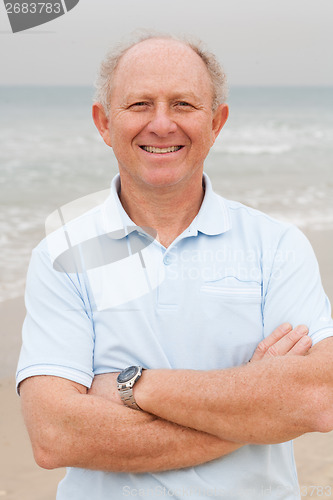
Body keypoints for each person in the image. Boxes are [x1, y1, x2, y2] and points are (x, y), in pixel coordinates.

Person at [16, 34, 333, 500]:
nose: (161, 124)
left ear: (216, 121)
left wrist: (133, 387)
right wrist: (253, 407)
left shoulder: (278, 246)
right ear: (104, 123)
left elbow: (316, 398)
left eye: (183, 104)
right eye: (140, 104)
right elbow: (55, 435)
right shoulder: (61, 255)